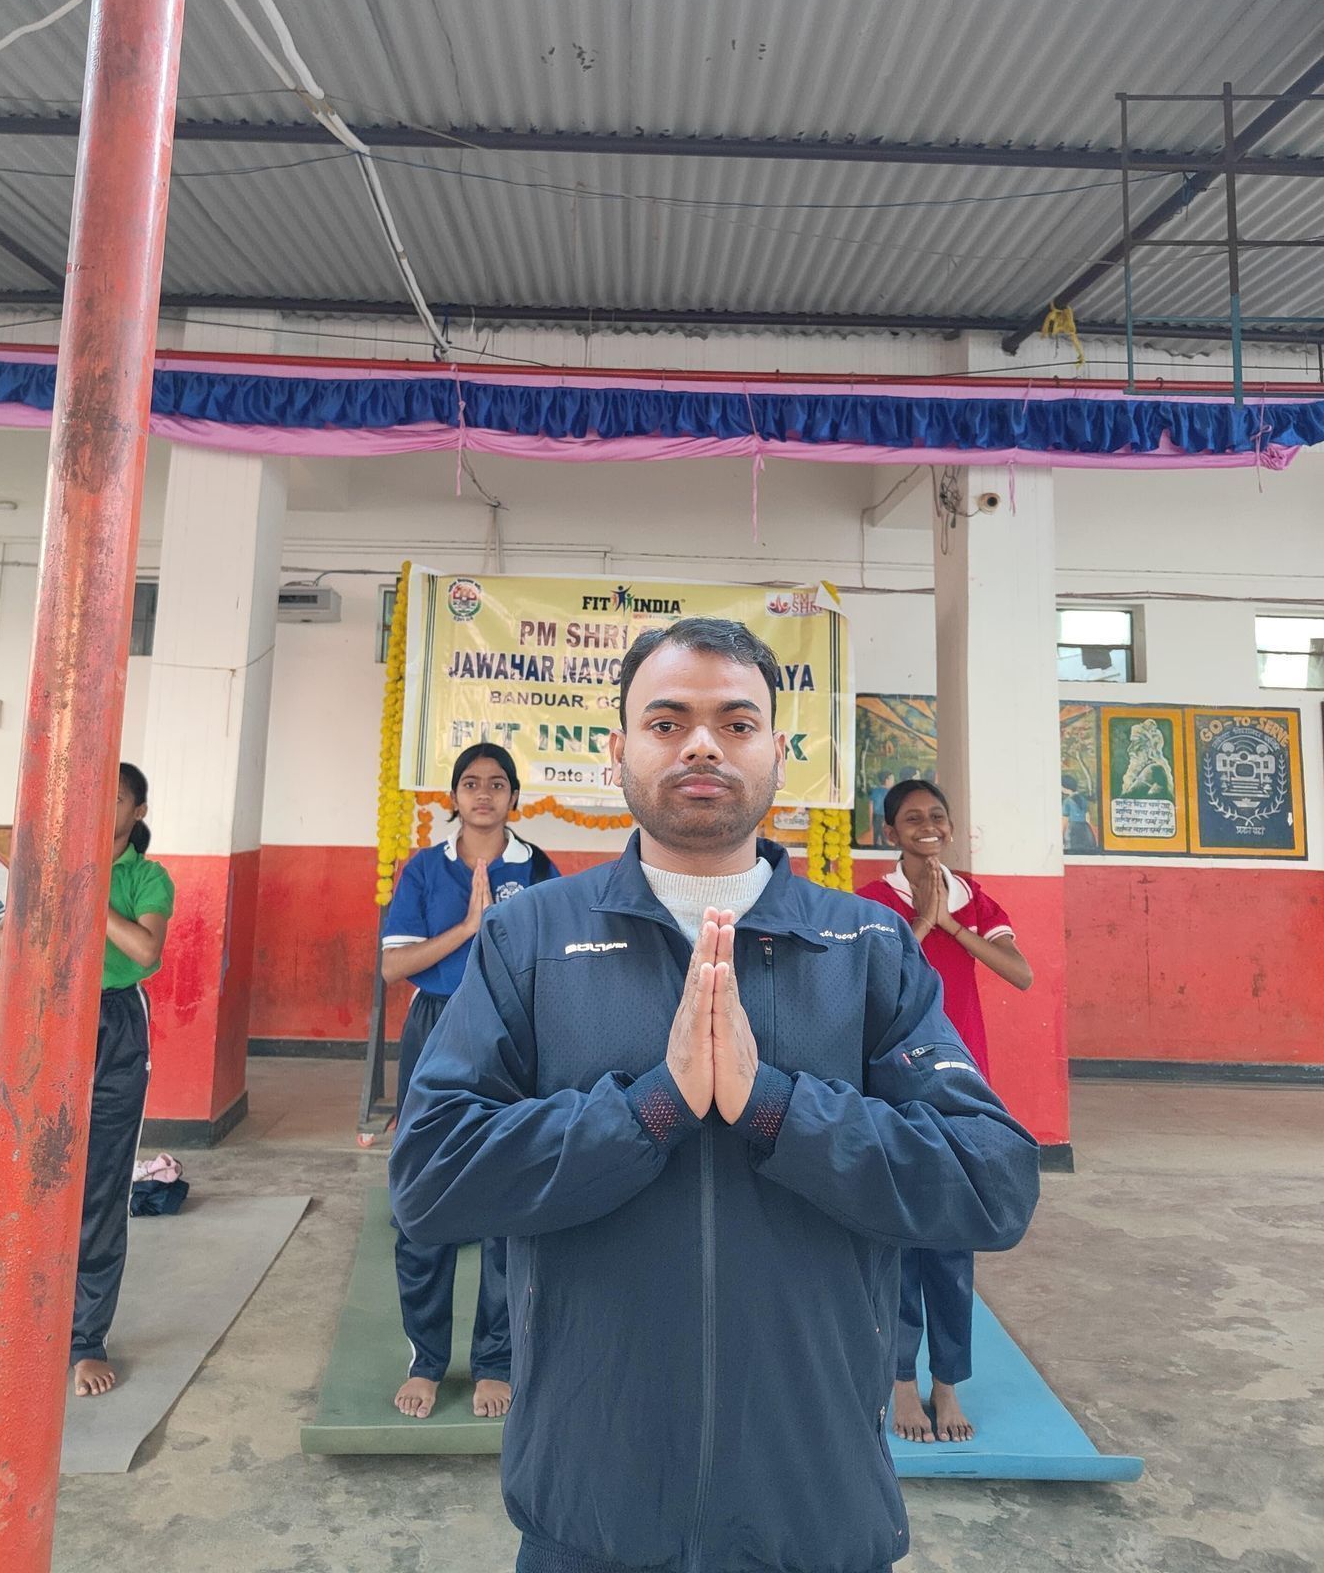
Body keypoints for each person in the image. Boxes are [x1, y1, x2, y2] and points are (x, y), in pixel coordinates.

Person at [391, 619, 1038, 1573]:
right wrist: (649, 1110)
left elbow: (991, 1183)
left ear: (780, 753)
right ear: (618, 754)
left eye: (737, 723)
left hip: (813, 1504)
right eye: (667, 721)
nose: (702, 743)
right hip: (590, 1503)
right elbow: (431, 1179)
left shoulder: (865, 948)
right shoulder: (529, 938)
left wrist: (775, 1107)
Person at [380, 743, 560, 1422]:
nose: (483, 794)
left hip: (512, 1036)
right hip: (435, 1028)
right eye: (470, 783)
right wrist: (468, 928)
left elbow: (552, 963)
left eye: (496, 784)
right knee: (422, 1195)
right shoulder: (426, 869)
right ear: (453, 796)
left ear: (514, 797)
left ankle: (493, 1360)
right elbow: (396, 969)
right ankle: (426, 1359)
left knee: (503, 1196)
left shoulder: (538, 868)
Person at [0, 762, 174, 1398]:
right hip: (49, 1020)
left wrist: (87, 890)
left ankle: (85, 1340)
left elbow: (145, 953)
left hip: (117, 1023)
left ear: (137, 813)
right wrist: (49, 886)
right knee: (33, 1175)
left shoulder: (147, 878)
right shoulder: (46, 866)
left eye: (115, 798)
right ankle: (20, 1322)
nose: (102, 807)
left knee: (101, 1184)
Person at [856, 778, 1034, 1446]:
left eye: (936, 817)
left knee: (954, 1242)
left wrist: (951, 922)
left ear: (951, 828)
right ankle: (900, 1379)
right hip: (894, 1084)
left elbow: (1020, 972)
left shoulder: (973, 898)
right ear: (891, 833)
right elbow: (870, 981)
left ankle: (947, 1382)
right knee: (899, 1236)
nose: (926, 827)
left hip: (962, 1089)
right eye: (911, 819)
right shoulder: (872, 902)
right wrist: (923, 924)